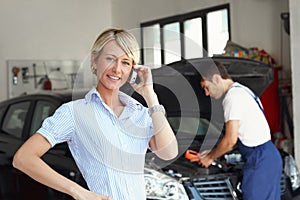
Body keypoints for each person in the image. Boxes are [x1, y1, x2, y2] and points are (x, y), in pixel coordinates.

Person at [13, 27, 178, 200]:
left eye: (125, 62)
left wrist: (150, 96)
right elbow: (23, 158)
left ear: (132, 69)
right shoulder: (74, 113)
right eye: (110, 59)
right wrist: (78, 192)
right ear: (94, 61)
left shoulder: (141, 114)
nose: (117, 69)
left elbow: (169, 152)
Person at [195, 60, 282, 200]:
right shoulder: (243, 90)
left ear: (216, 78)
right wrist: (212, 152)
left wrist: (210, 157)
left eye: (206, 87)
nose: (206, 93)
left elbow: (230, 140)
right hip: (268, 156)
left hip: (259, 159)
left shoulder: (232, 98)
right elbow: (242, 135)